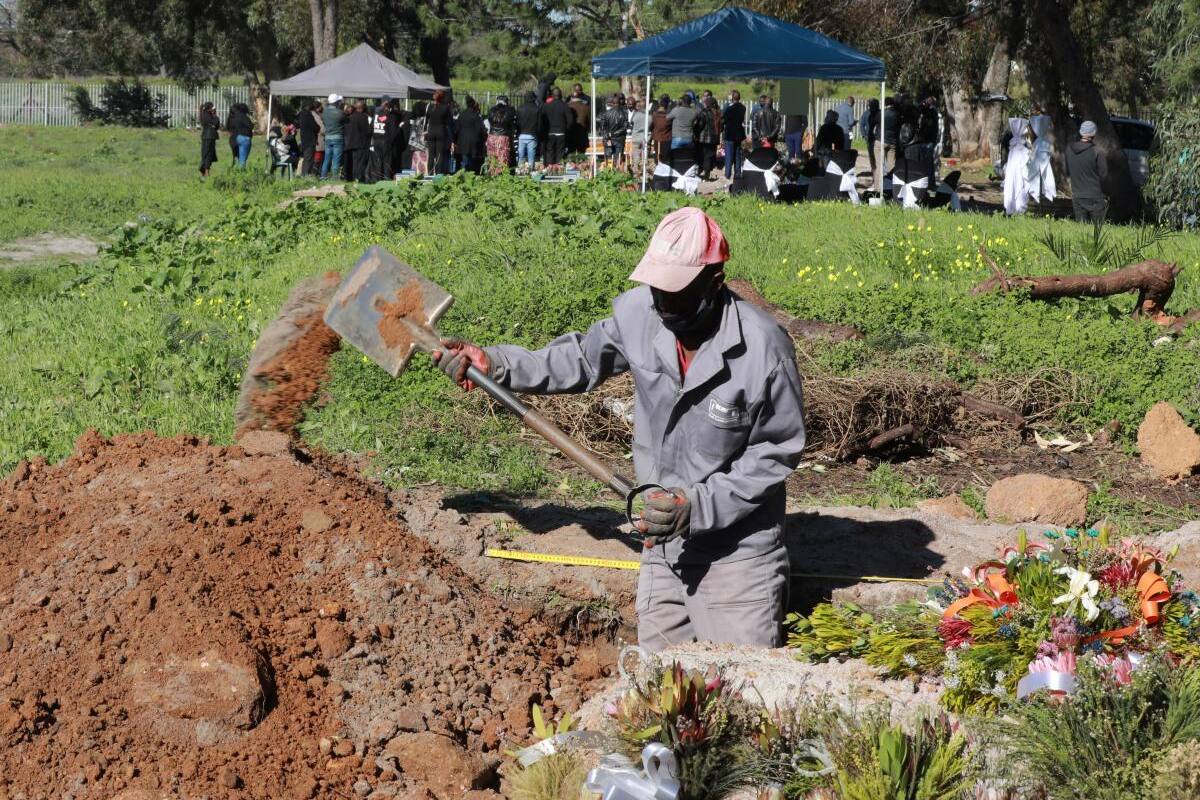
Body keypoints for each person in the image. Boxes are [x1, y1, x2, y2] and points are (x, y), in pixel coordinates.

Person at [431, 207, 805, 653]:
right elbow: (580, 358)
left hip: (736, 557)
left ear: (715, 281)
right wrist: (497, 363)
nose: (664, 304)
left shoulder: (763, 350)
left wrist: (697, 507)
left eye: (678, 293)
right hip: (662, 549)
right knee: (657, 697)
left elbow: (775, 452)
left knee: (742, 696)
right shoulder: (638, 314)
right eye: (658, 290)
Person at [1065, 120, 1108, 223]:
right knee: (1098, 233)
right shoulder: (1097, 151)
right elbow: (1104, 175)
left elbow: (1067, 172)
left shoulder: (1069, 149)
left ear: (1081, 132)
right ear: (1094, 133)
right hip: (1095, 197)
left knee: (1081, 232)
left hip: (1077, 196)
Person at [368, 98, 402, 183]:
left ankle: (377, 180)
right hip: (386, 141)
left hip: (376, 141)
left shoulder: (376, 115)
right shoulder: (391, 116)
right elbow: (394, 132)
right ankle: (386, 180)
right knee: (387, 162)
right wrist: (390, 142)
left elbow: (371, 128)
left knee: (377, 162)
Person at [1027, 110, 1057, 205]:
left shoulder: (1041, 142)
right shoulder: (1041, 142)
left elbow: (1042, 163)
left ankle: (1041, 195)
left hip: (1039, 166)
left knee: (1044, 176)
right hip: (1036, 167)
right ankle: (1037, 195)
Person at [1003, 117, 1032, 215]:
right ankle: (1017, 209)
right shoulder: (1019, 147)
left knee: (1014, 187)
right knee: (1017, 187)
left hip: (1014, 174)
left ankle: (1013, 209)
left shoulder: (1013, 146)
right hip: (1017, 175)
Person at [540, 87, 573, 166]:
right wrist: (566, 129)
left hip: (549, 132)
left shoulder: (546, 106)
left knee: (549, 152)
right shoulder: (565, 106)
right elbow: (570, 121)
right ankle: (559, 169)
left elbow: (542, 120)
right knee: (560, 152)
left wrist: (544, 130)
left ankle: (549, 169)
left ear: (552, 95)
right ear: (561, 95)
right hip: (561, 132)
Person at [486, 95, 518, 175]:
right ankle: (502, 176)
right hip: (503, 137)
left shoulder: (491, 110)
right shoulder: (509, 110)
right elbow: (511, 123)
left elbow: (490, 121)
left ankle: (492, 174)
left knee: (492, 157)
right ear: (506, 102)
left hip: (492, 136)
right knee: (503, 158)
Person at [454, 96, 487, 174]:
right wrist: (483, 139)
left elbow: (456, 129)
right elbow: (480, 130)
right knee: (473, 162)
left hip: (463, 142)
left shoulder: (461, 115)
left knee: (465, 161)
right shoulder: (476, 116)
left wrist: (455, 140)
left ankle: (464, 175)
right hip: (474, 142)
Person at [425, 89, 451, 175]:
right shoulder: (446, 107)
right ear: (443, 98)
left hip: (431, 131)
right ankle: (439, 174)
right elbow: (448, 121)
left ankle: (430, 173)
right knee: (440, 155)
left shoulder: (430, 107)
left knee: (431, 156)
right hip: (440, 131)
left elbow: (427, 118)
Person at [695, 96, 722, 180]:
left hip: (704, 139)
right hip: (714, 139)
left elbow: (700, 124)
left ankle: (700, 173)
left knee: (703, 156)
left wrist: (696, 132)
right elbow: (722, 127)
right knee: (710, 157)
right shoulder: (718, 113)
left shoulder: (704, 113)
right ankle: (707, 175)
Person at [343, 100, 371, 182]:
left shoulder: (350, 117)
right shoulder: (364, 117)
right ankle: (358, 178)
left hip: (350, 143)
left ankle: (353, 178)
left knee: (354, 163)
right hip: (361, 144)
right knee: (360, 163)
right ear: (362, 108)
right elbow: (367, 131)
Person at [599, 94, 627, 170]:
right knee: (617, 159)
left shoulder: (606, 113)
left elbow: (602, 127)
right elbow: (624, 127)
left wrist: (607, 136)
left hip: (608, 139)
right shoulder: (624, 113)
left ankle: (608, 172)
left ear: (612, 103)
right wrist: (615, 133)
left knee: (608, 158)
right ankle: (617, 173)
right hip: (619, 139)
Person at [320, 94, 346, 179]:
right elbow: (346, 122)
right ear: (336, 102)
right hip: (338, 137)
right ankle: (335, 177)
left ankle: (323, 176)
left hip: (328, 137)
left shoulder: (324, 112)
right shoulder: (340, 113)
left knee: (327, 158)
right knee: (336, 159)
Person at [722, 90, 746, 179]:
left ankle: (727, 174)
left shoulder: (730, 108)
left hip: (730, 134)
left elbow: (724, 118)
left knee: (729, 156)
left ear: (732, 98)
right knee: (737, 155)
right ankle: (738, 173)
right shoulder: (743, 107)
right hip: (739, 133)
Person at [666, 93, 698, 157]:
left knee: (675, 157)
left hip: (677, 137)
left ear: (682, 101)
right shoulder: (694, 112)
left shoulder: (676, 110)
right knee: (687, 157)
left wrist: (676, 106)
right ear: (690, 102)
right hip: (689, 138)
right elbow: (695, 122)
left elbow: (667, 118)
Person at [516, 91, 540, 171]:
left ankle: (520, 170)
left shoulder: (520, 108)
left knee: (521, 155)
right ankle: (530, 170)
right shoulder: (537, 109)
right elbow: (539, 124)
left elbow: (517, 122)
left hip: (521, 134)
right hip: (532, 135)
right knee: (531, 155)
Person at [224, 102, 254, 168]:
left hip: (233, 139)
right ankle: (241, 175)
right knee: (242, 159)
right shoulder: (242, 116)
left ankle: (233, 172)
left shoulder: (231, 116)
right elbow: (251, 126)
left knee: (236, 158)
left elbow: (228, 128)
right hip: (244, 137)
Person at [296, 100, 320, 176]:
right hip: (310, 140)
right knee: (308, 159)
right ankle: (305, 175)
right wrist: (318, 127)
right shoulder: (308, 115)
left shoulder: (301, 114)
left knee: (306, 158)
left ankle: (305, 174)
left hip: (304, 139)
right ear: (308, 106)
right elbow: (316, 127)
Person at [628, 97, 649, 177]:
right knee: (644, 160)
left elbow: (631, 124)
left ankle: (636, 175)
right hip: (645, 139)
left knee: (636, 160)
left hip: (636, 139)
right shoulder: (649, 116)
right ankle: (644, 175)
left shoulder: (636, 115)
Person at [916, 95, 940, 164]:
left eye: (928, 101)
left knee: (928, 157)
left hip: (929, 137)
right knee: (926, 157)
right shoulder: (929, 111)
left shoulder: (931, 111)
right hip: (926, 137)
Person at [407, 101, 429, 174]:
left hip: (415, 149)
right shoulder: (425, 121)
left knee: (415, 170)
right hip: (424, 150)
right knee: (424, 169)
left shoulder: (416, 120)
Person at [198, 101, 219, 177]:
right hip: (209, 136)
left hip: (208, 136)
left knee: (208, 154)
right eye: (212, 107)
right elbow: (216, 123)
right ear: (209, 108)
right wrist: (215, 114)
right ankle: (205, 170)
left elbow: (216, 125)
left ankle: (205, 170)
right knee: (207, 154)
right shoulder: (206, 115)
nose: (213, 108)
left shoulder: (206, 115)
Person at [567, 90, 591, 155]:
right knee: (582, 155)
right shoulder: (586, 107)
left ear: (571, 98)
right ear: (580, 98)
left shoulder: (567, 106)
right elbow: (589, 121)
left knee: (571, 153)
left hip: (570, 133)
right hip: (582, 133)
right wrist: (587, 130)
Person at [860, 98, 880, 174]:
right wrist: (864, 135)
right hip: (870, 138)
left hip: (879, 138)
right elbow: (862, 125)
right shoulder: (866, 114)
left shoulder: (880, 113)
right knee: (871, 155)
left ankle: (877, 170)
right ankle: (874, 169)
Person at [651, 96, 673, 163]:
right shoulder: (669, 117)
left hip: (657, 139)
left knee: (657, 158)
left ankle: (657, 169)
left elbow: (651, 126)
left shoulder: (654, 116)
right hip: (666, 139)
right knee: (665, 159)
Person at [882, 96, 899, 172]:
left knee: (881, 162)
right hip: (893, 140)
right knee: (891, 163)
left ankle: (883, 179)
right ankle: (890, 179)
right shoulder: (897, 114)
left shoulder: (882, 113)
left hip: (883, 139)